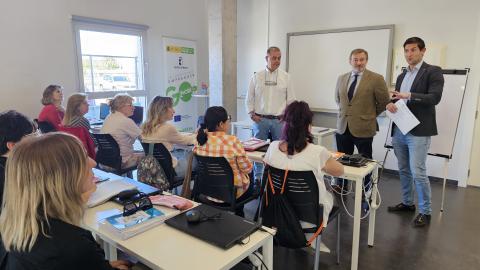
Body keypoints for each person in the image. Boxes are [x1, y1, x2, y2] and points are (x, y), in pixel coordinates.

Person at [0, 133, 131, 269]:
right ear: (64, 178)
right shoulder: (73, 245)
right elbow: (72, 256)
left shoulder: (16, 227)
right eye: (83, 158)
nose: (93, 162)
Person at [386, 37, 444, 227]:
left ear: (423, 51)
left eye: (413, 50)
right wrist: (391, 104)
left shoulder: (433, 71)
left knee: (418, 172)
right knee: (403, 169)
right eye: (406, 51)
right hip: (400, 129)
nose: (409, 54)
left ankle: (425, 212)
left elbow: (434, 98)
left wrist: (409, 95)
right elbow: (397, 100)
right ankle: (407, 203)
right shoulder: (402, 75)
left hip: (419, 131)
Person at [263, 100, 344, 229]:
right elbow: (340, 171)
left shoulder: (272, 147)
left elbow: (267, 166)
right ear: (309, 125)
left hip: (277, 214)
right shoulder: (318, 152)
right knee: (328, 193)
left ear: (285, 123)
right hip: (309, 220)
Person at [334, 48, 390, 197]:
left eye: (362, 59)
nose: (358, 63)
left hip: (364, 126)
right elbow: (338, 99)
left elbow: (384, 102)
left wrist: (369, 115)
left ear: (366, 60)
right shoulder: (341, 78)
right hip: (343, 126)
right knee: (342, 159)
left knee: (365, 161)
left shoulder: (376, 78)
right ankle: (343, 186)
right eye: (355, 60)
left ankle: (367, 190)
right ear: (350, 61)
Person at [246, 46, 295, 181]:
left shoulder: (286, 77)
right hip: (260, 120)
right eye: (274, 58)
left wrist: (286, 117)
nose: (277, 61)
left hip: (279, 121)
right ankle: (257, 178)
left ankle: (276, 178)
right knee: (256, 151)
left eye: (279, 58)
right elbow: (249, 97)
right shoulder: (257, 76)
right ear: (266, 58)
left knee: (280, 150)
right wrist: (251, 114)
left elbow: (291, 100)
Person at [193, 106, 253, 215]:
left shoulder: (199, 140)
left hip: (208, 192)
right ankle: (239, 215)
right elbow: (247, 168)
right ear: (221, 124)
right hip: (232, 195)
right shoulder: (232, 141)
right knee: (250, 174)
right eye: (228, 119)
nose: (229, 122)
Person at [141, 96, 196, 178]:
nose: (174, 111)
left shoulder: (144, 127)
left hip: (153, 171)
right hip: (171, 171)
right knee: (196, 159)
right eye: (171, 107)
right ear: (162, 110)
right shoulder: (167, 128)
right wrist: (198, 135)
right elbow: (186, 141)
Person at [0, 110, 35, 206]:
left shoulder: (16, 164)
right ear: (12, 145)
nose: (36, 141)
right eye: (31, 136)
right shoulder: (9, 174)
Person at [101, 93, 144, 168]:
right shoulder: (125, 121)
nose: (134, 108)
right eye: (130, 105)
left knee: (137, 152)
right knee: (151, 156)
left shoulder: (109, 117)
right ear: (121, 106)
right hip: (122, 162)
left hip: (106, 162)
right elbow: (144, 138)